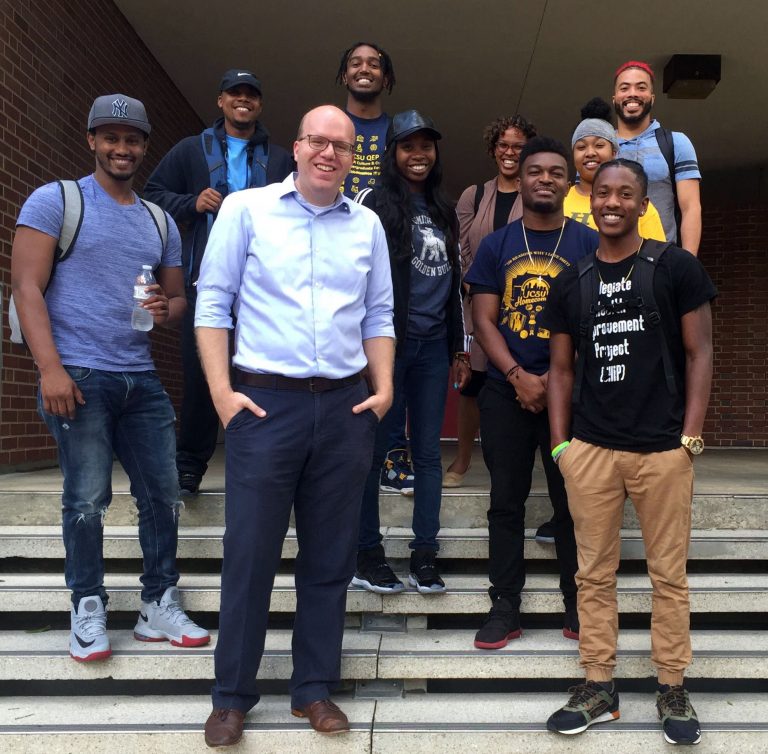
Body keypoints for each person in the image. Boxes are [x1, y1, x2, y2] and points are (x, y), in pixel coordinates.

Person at [196, 105, 395, 747]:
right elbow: (212, 300)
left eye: (340, 144)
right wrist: (222, 394)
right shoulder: (246, 209)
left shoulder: (366, 225)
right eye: (317, 140)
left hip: (343, 409)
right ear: (298, 146)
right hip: (263, 405)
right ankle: (232, 696)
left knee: (330, 559)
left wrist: (384, 387)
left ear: (351, 155)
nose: (328, 153)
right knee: (249, 556)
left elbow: (379, 313)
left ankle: (312, 689)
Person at [11, 94, 210, 663]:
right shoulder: (56, 201)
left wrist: (165, 308)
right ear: (92, 140)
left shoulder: (159, 219)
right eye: (111, 137)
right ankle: (88, 605)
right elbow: (26, 288)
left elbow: (174, 302)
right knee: (86, 498)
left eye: (132, 139)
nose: (122, 148)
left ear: (145, 146)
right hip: (76, 371)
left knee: (163, 494)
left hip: (140, 377)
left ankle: (158, 605)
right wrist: (50, 368)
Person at [543, 158, 715, 745]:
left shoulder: (675, 267)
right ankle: (599, 685)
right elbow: (560, 370)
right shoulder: (572, 280)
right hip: (591, 449)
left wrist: (689, 437)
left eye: (626, 194)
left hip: (662, 450)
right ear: (590, 201)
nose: (611, 201)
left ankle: (671, 686)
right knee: (593, 576)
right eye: (602, 192)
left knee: (669, 576)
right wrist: (562, 444)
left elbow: (700, 353)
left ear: (644, 205)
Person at [465, 136, 597, 649]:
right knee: (506, 500)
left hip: (573, 394)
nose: (545, 178)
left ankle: (577, 601)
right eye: (535, 171)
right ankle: (505, 606)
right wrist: (519, 375)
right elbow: (483, 319)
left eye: (555, 172)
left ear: (570, 183)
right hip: (505, 390)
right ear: (520, 181)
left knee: (574, 501)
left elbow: (596, 319)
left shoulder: (587, 242)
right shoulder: (498, 244)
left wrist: (557, 380)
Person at [144, 69, 294, 496]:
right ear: (221, 100)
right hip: (204, 279)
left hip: (264, 289)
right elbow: (152, 194)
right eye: (235, 93)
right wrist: (191, 203)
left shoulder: (280, 159)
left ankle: (260, 461)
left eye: (251, 94)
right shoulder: (192, 150)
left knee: (259, 374)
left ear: (260, 104)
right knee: (199, 376)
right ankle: (190, 465)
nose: (242, 100)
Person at [352, 110, 469, 596]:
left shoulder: (444, 208)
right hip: (386, 347)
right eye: (408, 146)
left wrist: (458, 346)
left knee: (426, 454)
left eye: (426, 146)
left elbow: (454, 281)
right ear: (392, 152)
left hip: (432, 349)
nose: (418, 155)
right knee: (373, 453)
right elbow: (355, 275)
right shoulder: (371, 201)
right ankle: (367, 553)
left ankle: (424, 554)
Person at [443, 114, 536, 490]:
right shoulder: (474, 195)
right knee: (473, 386)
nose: (510, 152)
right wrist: (476, 288)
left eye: (518, 146)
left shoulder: (537, 193)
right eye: (503, 145)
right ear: (493, 149)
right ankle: (463, 459)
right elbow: (462, 249)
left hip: (525, 301)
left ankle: (513, 464)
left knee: (515, 377)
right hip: (478, 302)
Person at [336, 41, 413, 495]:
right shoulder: (331, 124)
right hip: (334, 248)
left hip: (386, 254)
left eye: (375, 64)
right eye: (355, 64)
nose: (365, 70)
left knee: (388, 350)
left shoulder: (396, 129)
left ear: (387, 78)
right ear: (344, 75)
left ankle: (392, 452)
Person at [612, 60, 702, 253]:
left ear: (652, 98)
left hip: (661, 261)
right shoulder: (600, 147)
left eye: (641, 87)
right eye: (624, 88)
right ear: (615, 98)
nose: (632, 93)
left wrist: (688, 266)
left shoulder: (676, 142)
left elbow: (691, 208)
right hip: (608, 262)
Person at [565, 97, 665, 241]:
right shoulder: (560, 201)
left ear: (614, 153)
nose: (590, 152)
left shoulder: (636, 205)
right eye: (581, 147)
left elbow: (656, 257)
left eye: (599, 145)